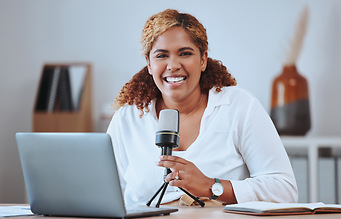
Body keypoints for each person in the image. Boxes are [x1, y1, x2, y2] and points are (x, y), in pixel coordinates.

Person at [107, 9, 298, 206]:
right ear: (149, 64)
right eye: (161, 55)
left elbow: (284, 189)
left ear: (203, 59)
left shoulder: (240, 107)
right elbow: (108, 196)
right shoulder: (126, 119)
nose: (173, 65)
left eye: (185, 53)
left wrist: (211, 186)